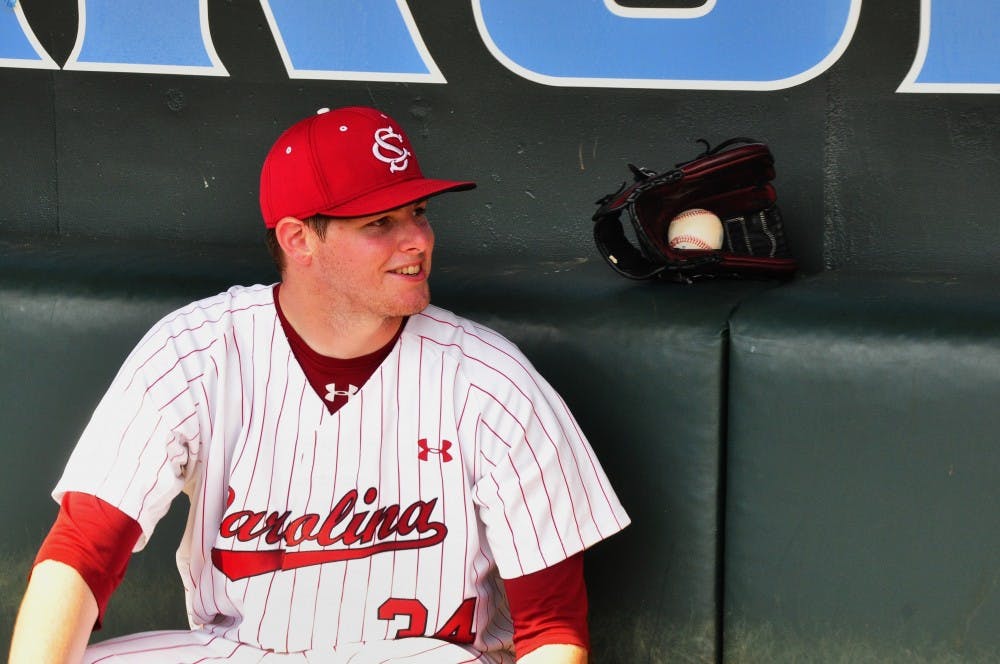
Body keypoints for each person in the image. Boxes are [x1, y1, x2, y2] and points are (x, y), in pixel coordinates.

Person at [8, 106, 630, 664]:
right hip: (240, 651)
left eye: (418, 212)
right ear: (298, 239)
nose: (418, 239)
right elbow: (84, 550)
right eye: (380, 222)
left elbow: (554, 630)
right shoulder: (196, 350)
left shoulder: (490, 380)